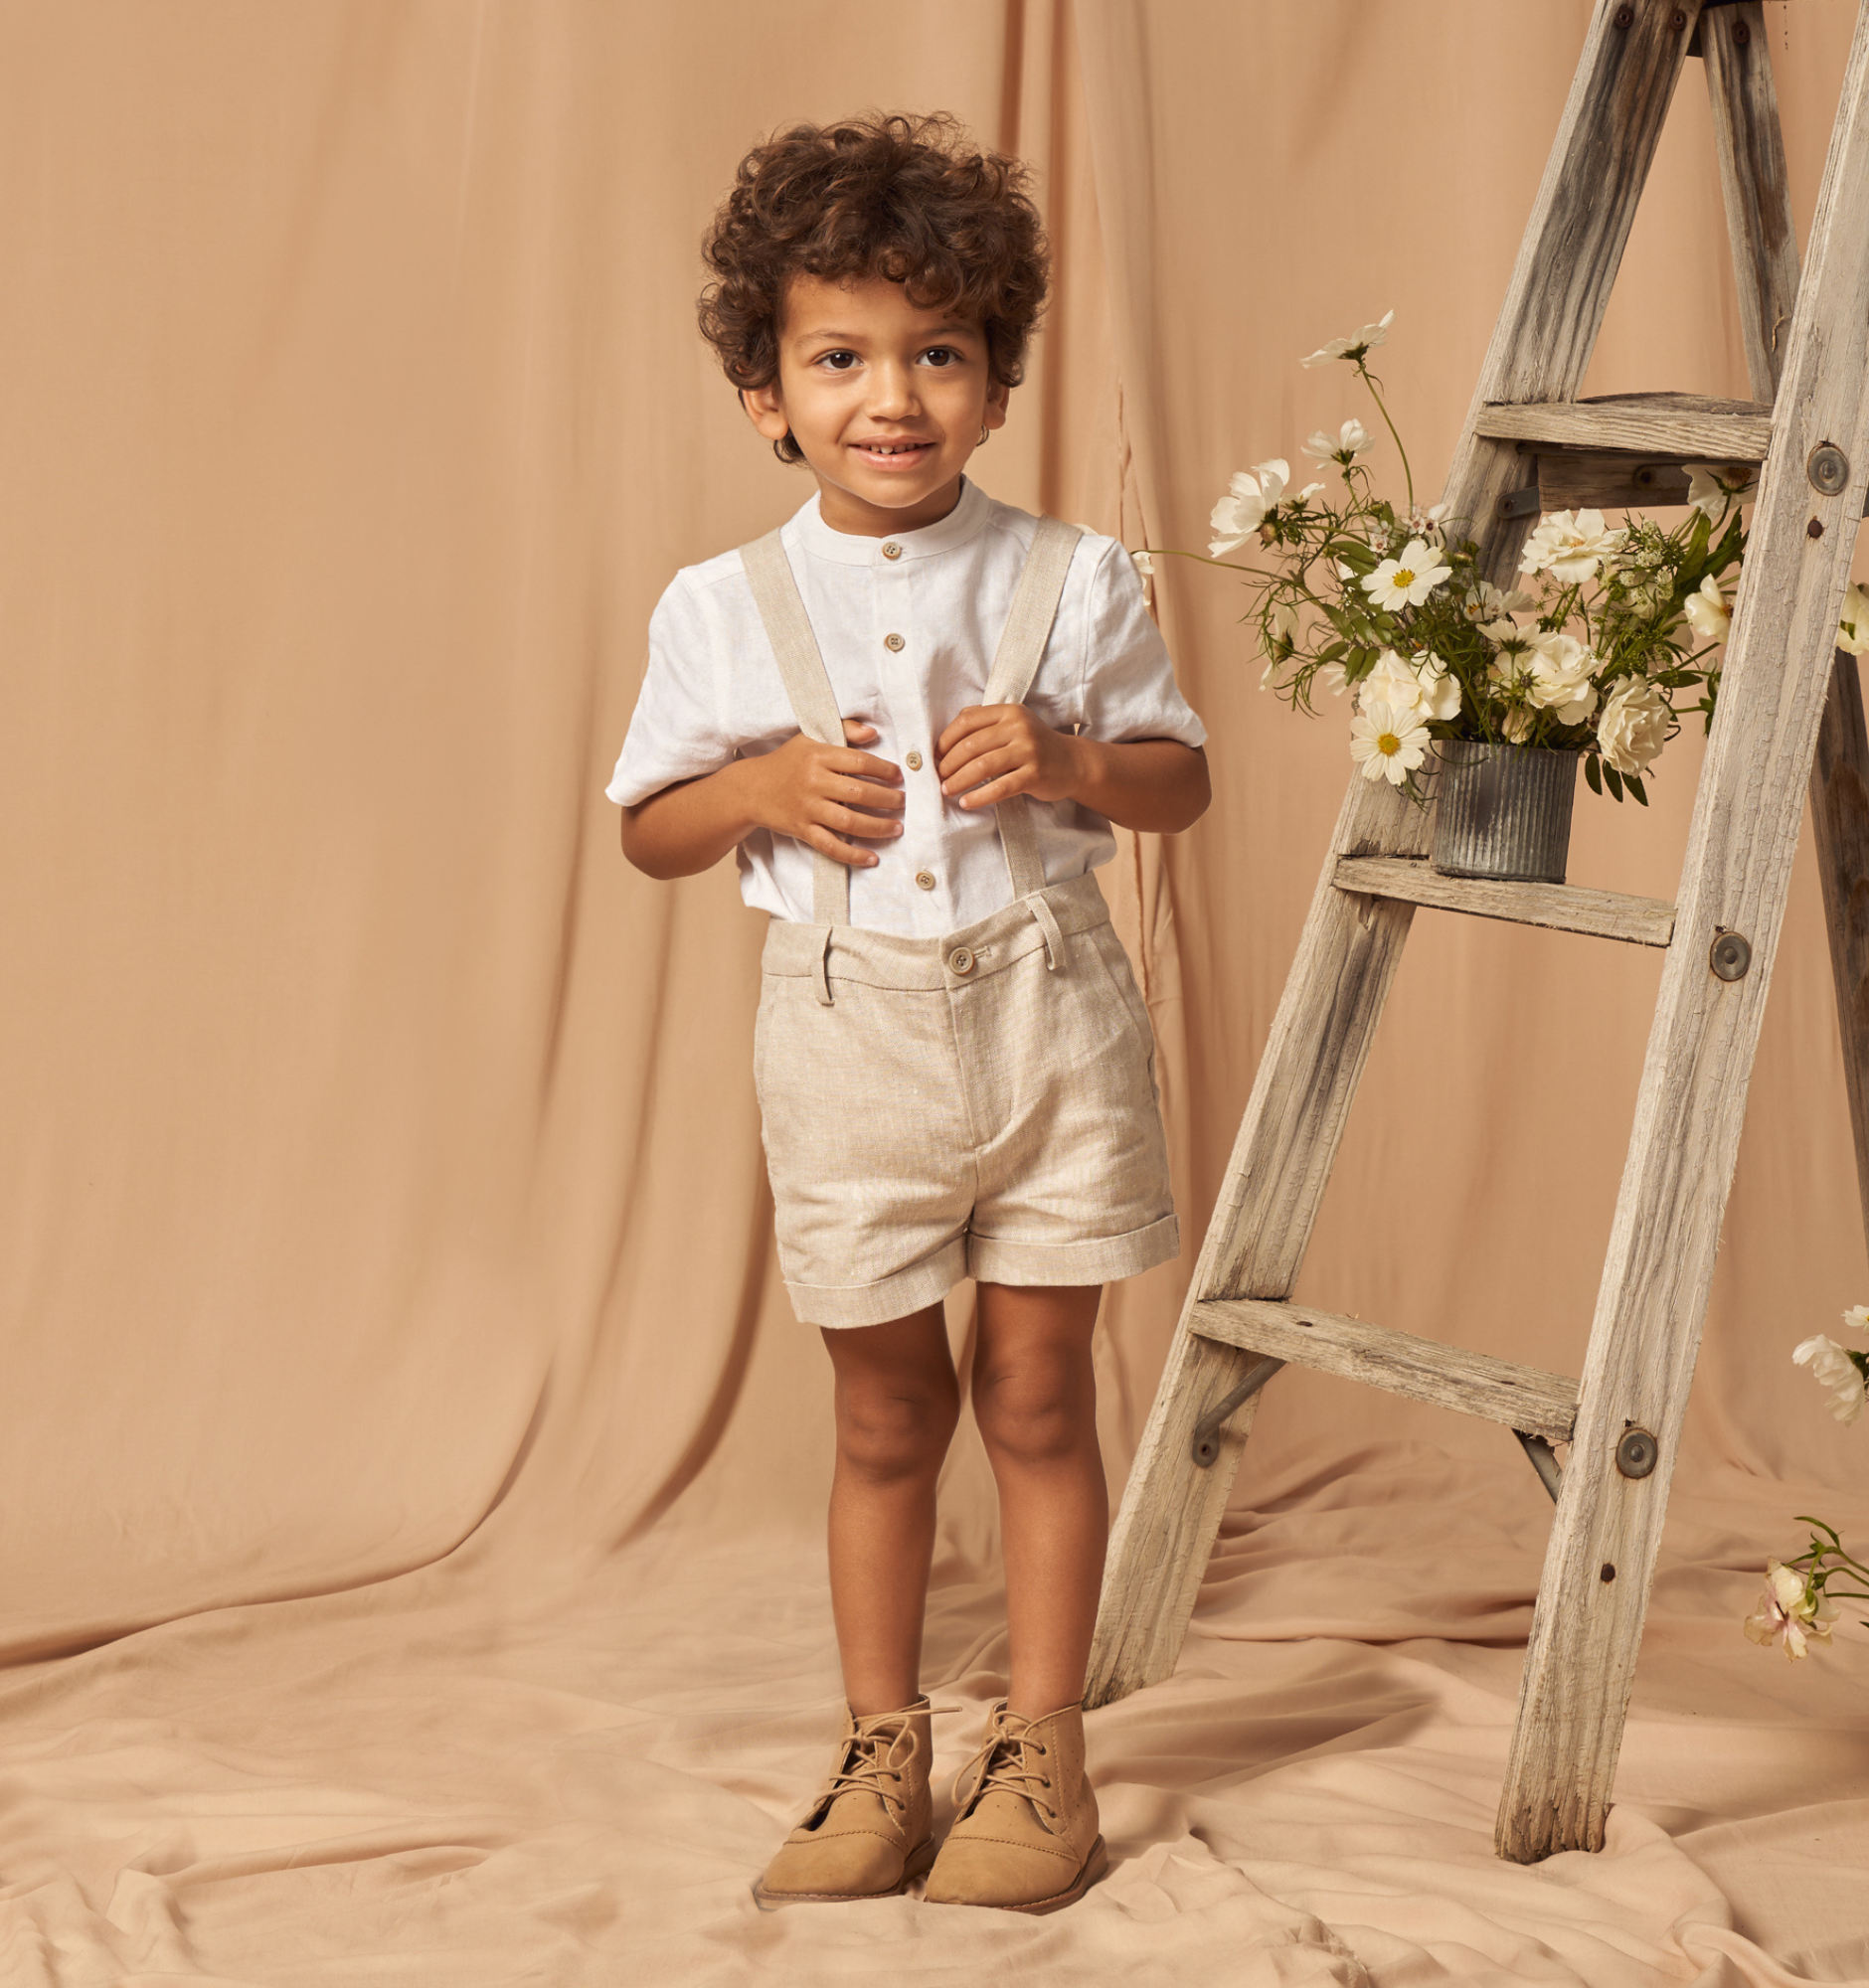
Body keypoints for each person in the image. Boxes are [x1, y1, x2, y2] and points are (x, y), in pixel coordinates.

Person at [608, 111, 1209, 1916]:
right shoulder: (722, 609)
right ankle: (885, 1744)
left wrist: (1078, 757)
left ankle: (1043, 1748)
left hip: (1052, 1024)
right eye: (841, 357)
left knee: (1036, 1392)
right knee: (886, 1416)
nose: (893, 397)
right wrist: (767, 792)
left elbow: (1178, 788)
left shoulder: (1074, 576)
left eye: (938, 354)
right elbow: (648, 829)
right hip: (846, 1033)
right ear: (765, 393)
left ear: (997, 381)